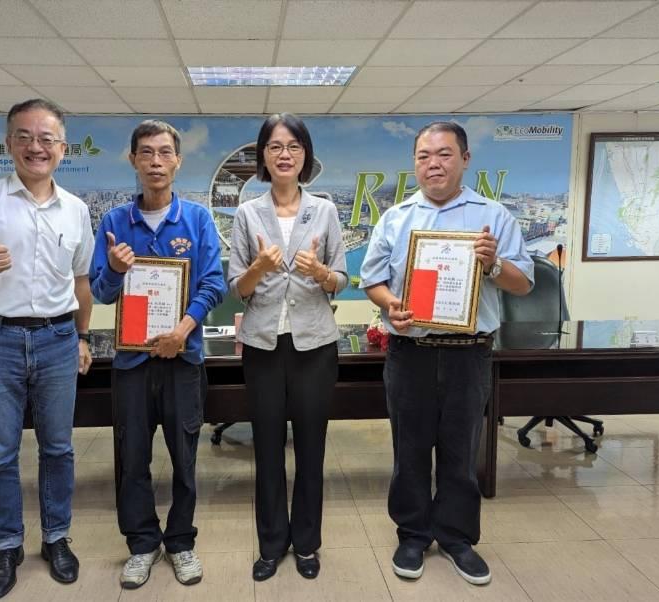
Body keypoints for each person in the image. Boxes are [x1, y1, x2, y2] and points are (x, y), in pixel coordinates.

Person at [360, 121, 533, 586]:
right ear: (414, 163)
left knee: (460, 451)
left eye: (443, 154)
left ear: (465, 159)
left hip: (469, 354)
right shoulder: (396, 217)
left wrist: (493, 264)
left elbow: (525, 282)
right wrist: (390, 304)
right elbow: (372, 280)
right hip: (409, 351)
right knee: (410, 449)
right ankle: (413, 534)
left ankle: (457, 538)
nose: (432, 164)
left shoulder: (494, 217)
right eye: (423, 156)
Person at [0, 99, 94, 599]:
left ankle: (56, 538)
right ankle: (7, 544)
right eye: (26, 137)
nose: (37, 147)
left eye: (47, 139)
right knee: (0, 454)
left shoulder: (75, 210)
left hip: (56, 339)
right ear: (9, 143)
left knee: (58, 449)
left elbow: (81, 283)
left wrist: (82, 336)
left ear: (62, 148)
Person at [89, 120, 225, 589]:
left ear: (177, 161)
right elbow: (102, 292)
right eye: (146, 153)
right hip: (130, 363)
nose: (155, 162)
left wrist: (182, 331)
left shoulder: (197, 219)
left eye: (165, 153)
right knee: (132, 458)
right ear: (133, 161)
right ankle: (142, 544)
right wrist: (111, 267)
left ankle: (182, 542)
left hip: (182, 361)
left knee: (184, 456)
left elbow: (213, 283)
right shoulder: (113, 224)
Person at [228, 113, 348, 581]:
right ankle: (271, 543)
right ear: (263, 155)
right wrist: (259, 266)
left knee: (311, 449)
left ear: (305, 156)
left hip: (314, 346)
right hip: (262, 344)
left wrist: (320, 273)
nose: (284, 154)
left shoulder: (326, 211)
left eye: (294, 146)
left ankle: (307, 544)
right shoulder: (246, 213)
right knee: (267, 448)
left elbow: (341, 279)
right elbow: (238, 287)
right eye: (275, 146)